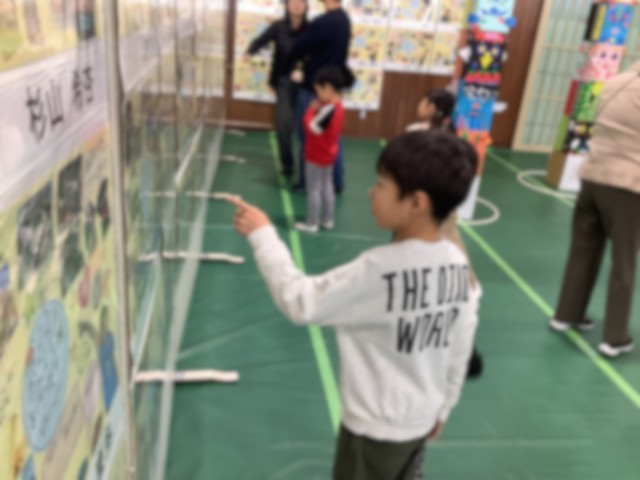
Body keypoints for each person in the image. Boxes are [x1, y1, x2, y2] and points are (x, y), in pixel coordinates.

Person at [228, 131, 480, 479]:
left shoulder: (380, 269)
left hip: (372, 433)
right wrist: (444, 407)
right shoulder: (457, 263)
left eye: (381, 185)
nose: (370, 192)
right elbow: (461, 344)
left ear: (417, 203)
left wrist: (263, 236)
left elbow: (301, 301)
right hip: (421, 422)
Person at [549, 62, 640, 358]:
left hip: (591, 177)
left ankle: (566, 315)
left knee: (583, 249)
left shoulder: (614, 82)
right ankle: (615, 338)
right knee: (624, 261)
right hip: (627, 184)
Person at [406, 89, 483, 378]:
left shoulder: (416, 135)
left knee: (430, 281)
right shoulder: (454, 139)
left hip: (427, 219)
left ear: (432, 108)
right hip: (444, 218)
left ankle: (451, 349)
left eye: (424, 100)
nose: (419, 103)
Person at [287, 0, 352, 193]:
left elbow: (297, 48)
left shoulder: (323, 22)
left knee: (308, 136)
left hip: (315, 89)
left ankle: (307, 183)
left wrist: (307, 55)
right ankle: (335, 181)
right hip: (333, 89)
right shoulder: (344, 19)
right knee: (332, 137)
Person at [245, 0, 308, 178]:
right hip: (283, 82)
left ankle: (306, 166)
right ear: (287, 5)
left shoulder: (312, 28)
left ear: (306, 6)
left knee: (306, 128)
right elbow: (261, 40)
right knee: (284, 124)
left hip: (306, 85)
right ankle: (288, 165)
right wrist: (250, 51)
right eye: (293, 2)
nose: (297, 5)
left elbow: (319, 53)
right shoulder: (279, 26)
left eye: (301, 2)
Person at [295, 67, 345, 234]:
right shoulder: (338, 106)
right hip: (329, 153)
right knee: (327, 187)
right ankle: (327, 219)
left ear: (328, 88)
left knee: (314, 190)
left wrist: (310, 110)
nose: (317, 95)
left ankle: (312, 223)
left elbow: (312, 127)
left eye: (318, 91)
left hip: (316, 155)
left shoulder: (328, 109)